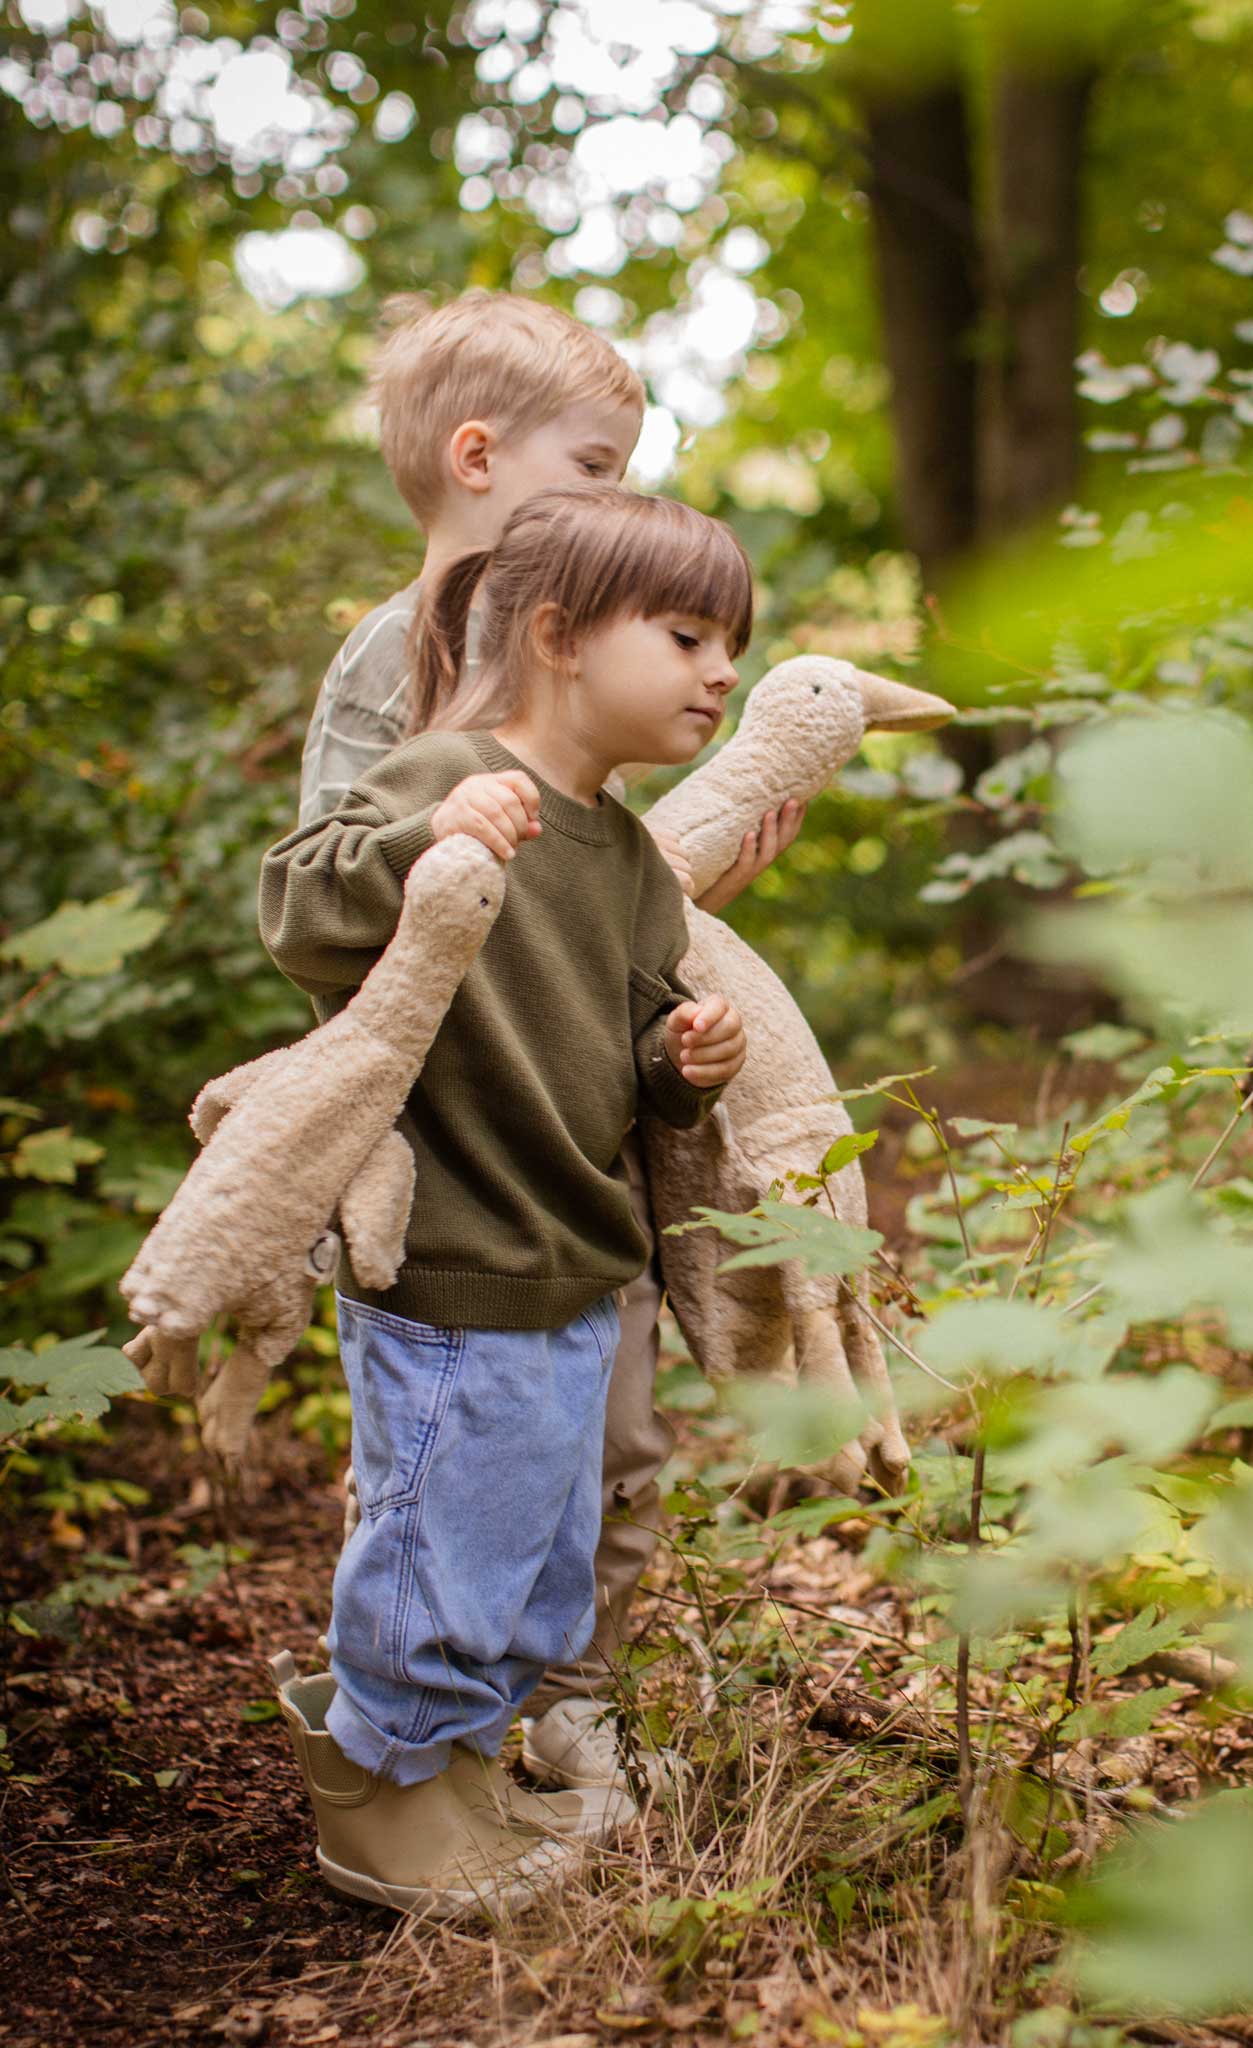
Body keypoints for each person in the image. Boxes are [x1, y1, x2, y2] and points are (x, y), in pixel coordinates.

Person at [297, 289, 803, 1799]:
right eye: (597, 470)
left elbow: (587, 906)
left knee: (607, 1432)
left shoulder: (603, 680)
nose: (625, 499)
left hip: (583, 1141)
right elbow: (345, 890)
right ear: (475, 458)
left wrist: (683, 959)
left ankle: (563, 1689)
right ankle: (406, 1734)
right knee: (461, 1444)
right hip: (455, 1147)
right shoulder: (401, 661)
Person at [259, 484, 753, 1915]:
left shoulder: (631, 860)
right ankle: (381, 1799)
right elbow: (296, 908)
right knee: (445, 1546)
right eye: (686, 635)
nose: (722, 672)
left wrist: (685, 1057)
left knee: (533, 1545)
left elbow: (641, 1054)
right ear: (555, 634)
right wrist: (431, 841)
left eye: (733, 643)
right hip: (457, 1251)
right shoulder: (443, 774)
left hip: (576, 1260)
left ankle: (464, 1762)